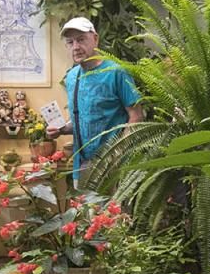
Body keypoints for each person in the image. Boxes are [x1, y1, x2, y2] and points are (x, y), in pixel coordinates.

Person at [48, 17, 143, 186]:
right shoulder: (72, 77)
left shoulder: (116, 72)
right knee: (84, 212)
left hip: (114, 166)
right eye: (70, 42)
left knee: (115, 212)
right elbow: (82, 118)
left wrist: (119, 152)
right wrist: (61, 130)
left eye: (81, 39)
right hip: (82, 165)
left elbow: (136, 116)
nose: (76, 47)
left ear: (95, 38)